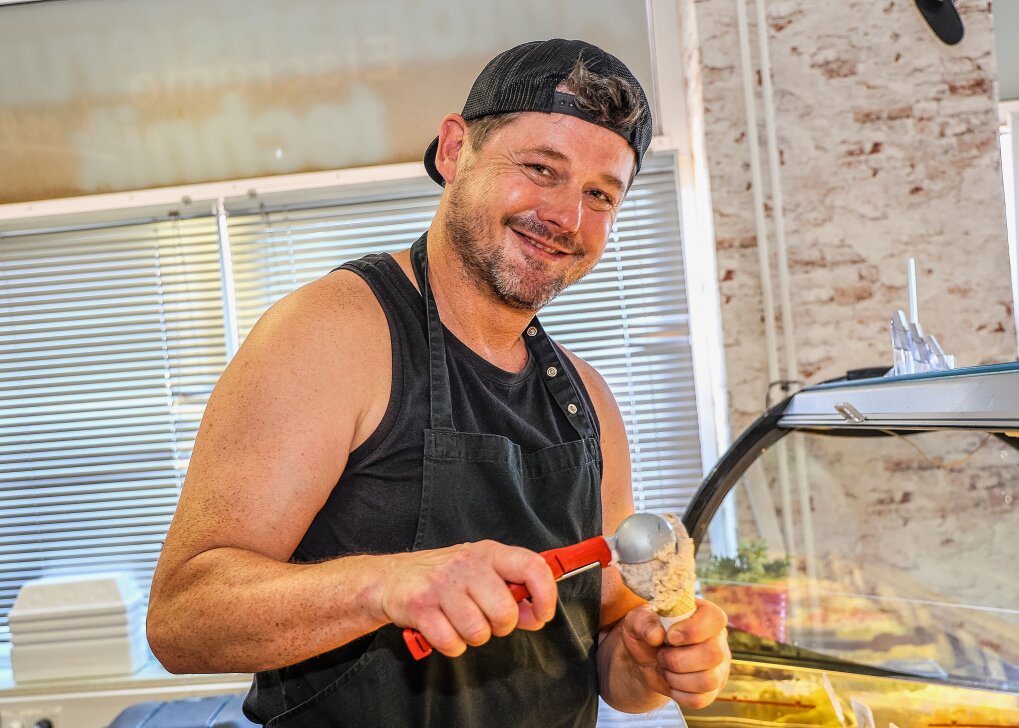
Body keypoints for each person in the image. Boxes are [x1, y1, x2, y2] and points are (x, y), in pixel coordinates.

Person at [146, 38, 731, 727]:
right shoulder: (332, 334)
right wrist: (385, 585)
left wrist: (646, 664)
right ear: (455, 150)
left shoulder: (586, 399)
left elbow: (602, 652)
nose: (567, 218)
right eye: (542, 168)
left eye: (600, 195)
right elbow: (183, 619)